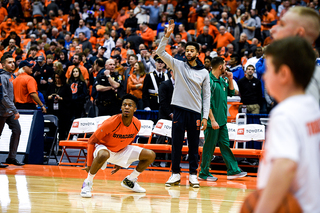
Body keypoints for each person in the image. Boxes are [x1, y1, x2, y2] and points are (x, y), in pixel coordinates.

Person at [254, 37, 320, 213]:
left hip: (289, 206)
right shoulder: (311, 105)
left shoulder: (284, 114)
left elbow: (286, 165)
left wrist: (263, 209)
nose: (264, 76)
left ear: (283, 74)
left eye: (268, 70)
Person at [156, 20, 210, 188]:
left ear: (198, 53)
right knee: (176, 145)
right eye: (186, 50)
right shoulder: (178, 65)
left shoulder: (204, 72)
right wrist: (166, 36)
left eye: (191, 50)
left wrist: (205, 117)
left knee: (193, 146)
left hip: (195, 113)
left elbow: (206, 96)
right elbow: (159, 52)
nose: (188, 52)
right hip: (178, 110)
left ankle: (193, 174)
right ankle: (175, 174)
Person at [80, 94, 156, 197]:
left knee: (150, 154)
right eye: (124, 105)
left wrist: (120, 162)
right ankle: (87, 183)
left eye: (130, 105)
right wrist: (89, 164)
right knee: (103, 154)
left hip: (120, 150)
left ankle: (130, 180)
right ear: (121, 107)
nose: (127, 107)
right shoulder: (111, 122)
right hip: (104, 148)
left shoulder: (137, 124)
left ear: (135, 109)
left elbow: (129, 141)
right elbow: (91, 141)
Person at [199, 57, 247, 182]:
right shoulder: (208, 81)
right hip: (211, 122)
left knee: (225, 145)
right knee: (209, 147)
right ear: (220, 66)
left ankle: (233, 170)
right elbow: (205, 103)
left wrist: (230, 78)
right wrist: (212, 120)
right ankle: (203, 172)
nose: (226, 67)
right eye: (225, 65)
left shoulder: (221, 80)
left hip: (222, 121)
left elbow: (232, 92)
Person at [0, 53, 24, 167]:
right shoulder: (2, 77)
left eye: (13, 62)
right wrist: (15, 110)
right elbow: (3, 96)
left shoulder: (11, 76)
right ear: (3, 64)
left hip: (8, 111)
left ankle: (11, 157)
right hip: (1, 111)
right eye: (9, 62)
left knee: (17, 130)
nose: (12, 64)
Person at [46, 70, 72, 140]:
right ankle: (50, 146)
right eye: (56, 78)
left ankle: (60, 147)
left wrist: (61, 98)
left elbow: (69, 99)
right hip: (52, 110)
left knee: (62, 130)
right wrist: (49, 97)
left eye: (59, 78)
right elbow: (46, 96)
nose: (57, 80)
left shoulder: (66, 87)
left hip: (62, 111)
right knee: (51, 129)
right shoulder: (51, 85)